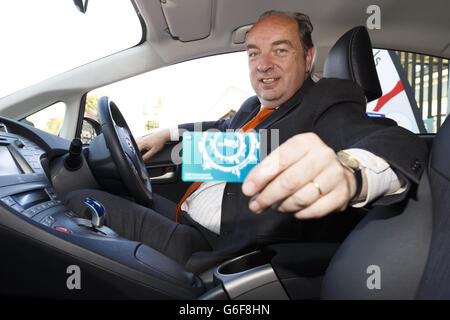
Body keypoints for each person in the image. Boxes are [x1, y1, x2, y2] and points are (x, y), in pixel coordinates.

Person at [66, 11, 427, 274]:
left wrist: (351, 172)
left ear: (309, 57)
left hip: (220, 250)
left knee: (80, 201)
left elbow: (391, 140)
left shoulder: (329, 101)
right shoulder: (257, 105)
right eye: (254, 53)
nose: (263, 65)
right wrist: (170, 133)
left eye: (280, 50)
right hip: (185, 215)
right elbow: (222, 128)